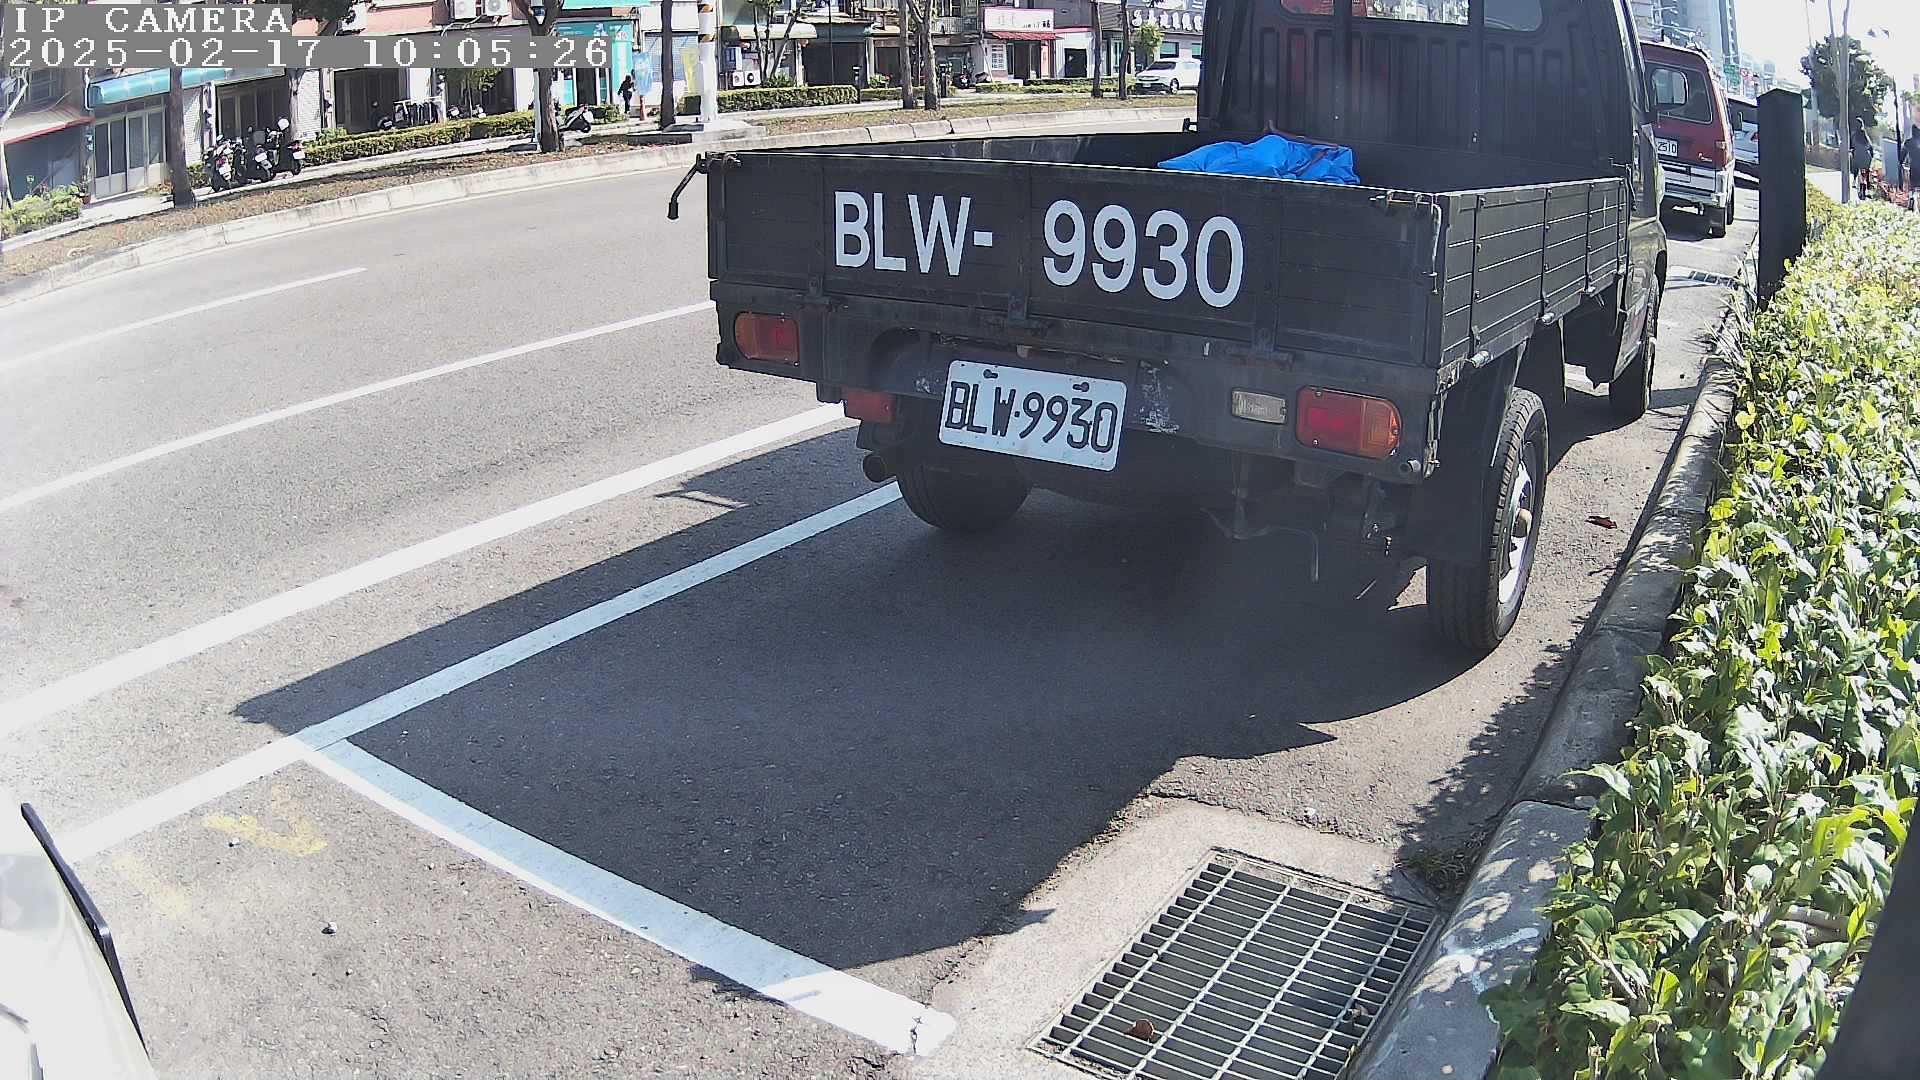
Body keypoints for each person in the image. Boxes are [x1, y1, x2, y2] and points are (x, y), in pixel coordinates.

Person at [1851, 116, 1874, 198]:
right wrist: (1871, 155)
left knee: (1856, 168)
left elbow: (1851, 146)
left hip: (1857, 155)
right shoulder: (1865, 135)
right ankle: (1867, 187)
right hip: (1866, 156)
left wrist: (1852, 151)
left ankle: (1854, 181)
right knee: (1866, 172)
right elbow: (1870, 146)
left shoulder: (1854, 136)